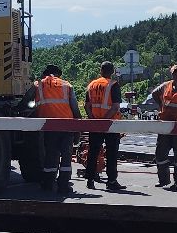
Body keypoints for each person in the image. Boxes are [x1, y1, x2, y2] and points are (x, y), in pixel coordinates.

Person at [27, 64, 79, 194]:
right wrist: (78, 127)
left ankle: (48, 183)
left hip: (48, 126)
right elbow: (75, 108)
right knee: (66, 156)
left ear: (46, 74)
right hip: (67, 125)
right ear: (58, 74)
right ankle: (63, 185)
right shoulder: (67, 85)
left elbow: (25, 102)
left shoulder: (38, 84)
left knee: (51, 155)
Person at [84, 62, 126, 191]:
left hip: (95, 124)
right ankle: (111, 181)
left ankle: (90, 180)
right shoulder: (113, 85)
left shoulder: (91, 85)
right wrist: (104, 121)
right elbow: (115, 107)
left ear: (100, 70)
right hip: (110, 124)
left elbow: (87, 106)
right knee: (112, 153)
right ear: (112, 72)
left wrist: (94, 120)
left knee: (93, 152)